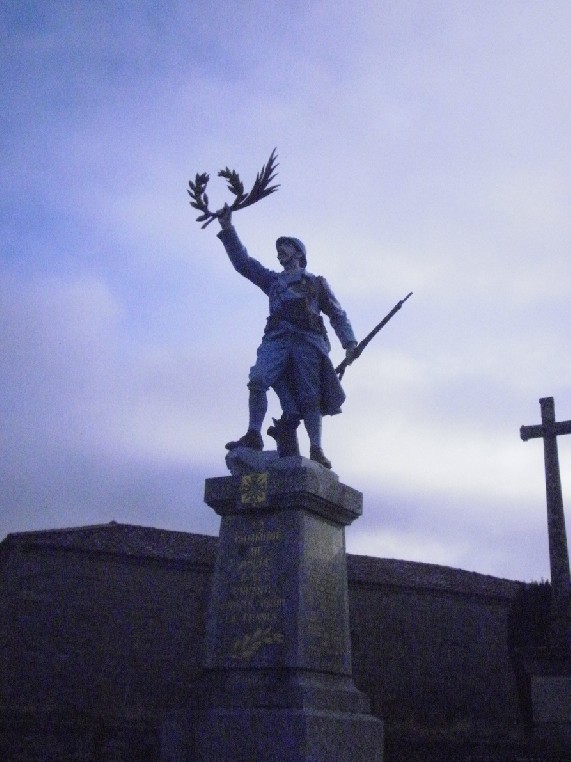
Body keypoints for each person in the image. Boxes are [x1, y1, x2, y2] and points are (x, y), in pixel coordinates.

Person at [217, 205, 357, 469]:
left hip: (308, 341)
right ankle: (253, 434)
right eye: (278, 248)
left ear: (299, 253)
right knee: (258, 379)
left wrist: (349, 343)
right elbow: (244, 264)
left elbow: (337, 313)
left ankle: (316, 448)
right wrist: (228, 228)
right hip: (277, 339)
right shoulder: (273, 281)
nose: (280, 250)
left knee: (310, 396)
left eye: (286, 246)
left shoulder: (316, 283)